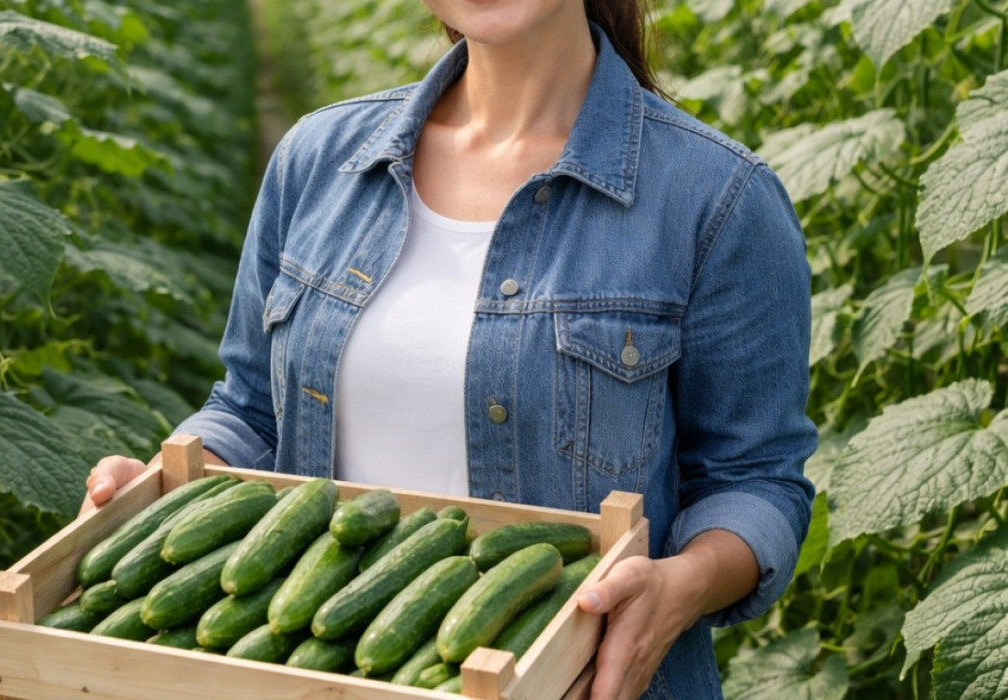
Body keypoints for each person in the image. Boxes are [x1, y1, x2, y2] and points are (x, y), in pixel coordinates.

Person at [84, 1, 817, 698]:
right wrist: (161, 490)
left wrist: (680, 587)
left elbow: (755, 482)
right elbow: (247, 408)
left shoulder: (718, 198)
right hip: (313, 671)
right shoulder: (318, 160)